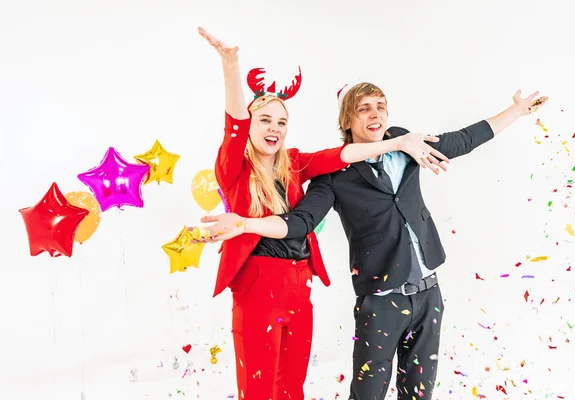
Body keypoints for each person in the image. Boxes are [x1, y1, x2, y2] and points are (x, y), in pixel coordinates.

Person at [197, 81, 547, 400]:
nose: (375, 114)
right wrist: (244, 224)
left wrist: (515, 111)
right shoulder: (333, 175)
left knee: (419, 393)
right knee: (367, 395)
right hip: (380, 300)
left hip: (429, 294)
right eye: (364, 108)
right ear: (347, 120)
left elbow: (463, 140)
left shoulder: (407, 143)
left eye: (380, 106)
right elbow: (300, 222)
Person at [196, 27, 452, 400]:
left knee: (292, 384)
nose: (274, 129)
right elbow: (233, 125)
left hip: (299, 282)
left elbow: (341, 155)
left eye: (281, 122)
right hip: (257, 281)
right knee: (259, 385)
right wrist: (231, 63)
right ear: (250, 125)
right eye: (265, 120)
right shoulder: (234, 168)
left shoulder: (295, 164)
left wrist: (397, 142)